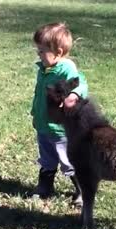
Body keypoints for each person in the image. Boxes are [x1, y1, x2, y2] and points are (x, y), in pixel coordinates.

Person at [30, 22, 87, 205]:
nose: (38, 54)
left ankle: (83, 190)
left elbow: (82, 85)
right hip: (44, 126)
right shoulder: (44, 68)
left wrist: (73, 95)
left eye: (41, 51)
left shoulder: (66, 69)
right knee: (47, 159)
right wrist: (35, 114)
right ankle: (45, 187)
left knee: (68, 162)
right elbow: (39, 94)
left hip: (60, 129)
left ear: (59, 52)